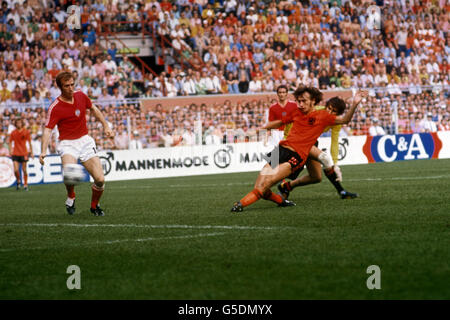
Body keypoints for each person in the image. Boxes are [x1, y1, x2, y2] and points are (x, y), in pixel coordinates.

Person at [231, 87, 367, 212]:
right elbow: (280, 122)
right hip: (279, 150)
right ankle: (281, 200)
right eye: (298, 101)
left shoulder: (324, 116)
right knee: (260, 186)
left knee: (267, 183)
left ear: (313, 101)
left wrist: (355, 103)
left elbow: (345, 120)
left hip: (296, 155)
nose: (300, 104)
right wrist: (258, 130)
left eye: (303, 101)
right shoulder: (296, 112)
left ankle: (240, 204)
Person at [39, 72, 114, 216]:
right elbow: (48, 130)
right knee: (70, 173)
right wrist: (43, 151)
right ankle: (71, 195)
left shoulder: (81, 95)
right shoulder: (55, 107)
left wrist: (106, 126)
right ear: (60, 87)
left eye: (72, 84)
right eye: (67, 86)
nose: (71, 88)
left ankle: (94, 206)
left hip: (85, 140)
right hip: (67, 144)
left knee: (100, 179)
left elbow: (94, 109)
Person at [277, 98, 359, 200]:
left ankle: (286, 187)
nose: (330, 112)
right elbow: (293, 120)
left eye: (334, 111)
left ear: (338, 114)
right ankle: (341, 191)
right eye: (329, 108)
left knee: (316, 177)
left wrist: (336, 165)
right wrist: (287, 138)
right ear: (325, 106)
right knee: (323, 159)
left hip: (311, 142)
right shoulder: (315, 111)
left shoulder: (337, 122)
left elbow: (334, 142)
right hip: (297, 141)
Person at [9, 118, 33, 191]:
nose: (18, 124)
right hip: (16, 153)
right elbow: (10, 142)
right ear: (15, 124)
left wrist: (31, 152)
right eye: (17, 123)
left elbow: (29, 142)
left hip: (24, 153)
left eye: (20, 123)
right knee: (16, 170)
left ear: (22, 123)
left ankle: (25, 184)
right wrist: (10, 150)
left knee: (24, 170)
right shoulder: (13, 132)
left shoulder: (26, 132)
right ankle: (19, 181)